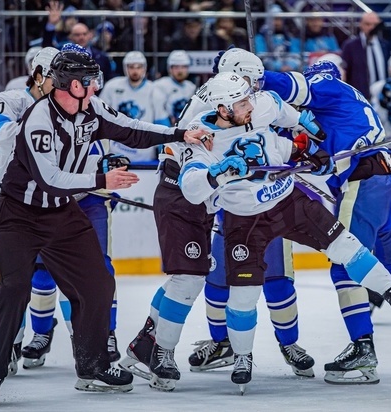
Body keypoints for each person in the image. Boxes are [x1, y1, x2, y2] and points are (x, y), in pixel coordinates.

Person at [0, 49, 210, 406]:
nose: (97, 85)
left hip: (60, 213)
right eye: (91, 80)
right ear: (73, 84)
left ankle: (92, 367)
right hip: (18, 216)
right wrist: (103, 178)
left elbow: (132, 130)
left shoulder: (92, 108)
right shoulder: (39, 119)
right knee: (14, 289)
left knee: (99, 283)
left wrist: (179, 134)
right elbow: (50, 178)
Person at [178, 71, 391, 391]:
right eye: (241, 101)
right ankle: (242, 356)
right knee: (244, 293)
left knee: (344, 243)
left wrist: (310, 140)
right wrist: (216, 175)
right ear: (224, 109)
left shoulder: (262, 104)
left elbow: (292, 117)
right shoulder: (201, 135)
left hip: (288, 201)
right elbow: (191, 187)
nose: (250, 104)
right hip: (245, 220)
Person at [118, 51, 322, 391]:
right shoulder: (210, 113)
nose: (254, 91)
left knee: (198, 277)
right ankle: (165, 347)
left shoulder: (231, 99)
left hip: (213, 195)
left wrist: (300, 126)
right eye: (249, 84)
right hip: (191, 193)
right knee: (192, 277)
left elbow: (275, 111)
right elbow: (198, 175)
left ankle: (148, 342)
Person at [259, 58, 391, 381]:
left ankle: (363, 349)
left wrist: (255, 76)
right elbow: (329, 158)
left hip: (367, 185)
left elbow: (290, 86)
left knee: (345, 263)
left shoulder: (327, 87)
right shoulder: (350, 106)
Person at [101, 51, 171, 161]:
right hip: (116, 153)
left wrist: (163, 152)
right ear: (125, 68)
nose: (135, 71)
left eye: (139, 67)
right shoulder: (112, 87)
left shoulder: (154, 90)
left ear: (144, 69)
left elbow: (161, 123)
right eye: (131, 67)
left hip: (145, 156)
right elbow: (101, 116)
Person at [341, 11, 390, 100]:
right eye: (368, 24)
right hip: (360, 97)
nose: (371, 28)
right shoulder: (350, 46)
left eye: (375, 25)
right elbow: (344, 72)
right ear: (361, 25)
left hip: (383, 98)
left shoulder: (385, 45)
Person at [152, 50, 196, 126]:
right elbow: (158, 112)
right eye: (176, 67)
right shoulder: (160, 85)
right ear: (170, 68)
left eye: (183, 67)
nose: (180, 71)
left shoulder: (191, 87)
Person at [255, 4, 301, 72]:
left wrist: (291, 65)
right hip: (269, 72)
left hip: (290, 70)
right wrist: (278, 67)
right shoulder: (260, 38)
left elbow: (296, 54)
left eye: (279, 19)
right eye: (274, 19)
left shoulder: (290, 36)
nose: (277, 23)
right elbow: (261, 56)